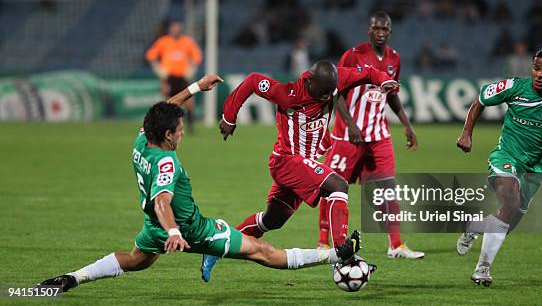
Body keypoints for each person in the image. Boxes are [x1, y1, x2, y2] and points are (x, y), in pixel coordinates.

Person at [38, 74, 362, 292]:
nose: (182, 132)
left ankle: (72, 278)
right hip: (193, 229)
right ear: (168, 135)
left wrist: (196, 87)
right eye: (179, 130)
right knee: (263, 252)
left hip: (153, 227)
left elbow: (164, 110)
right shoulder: (166, 162)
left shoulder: (142, 140)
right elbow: (162, 201)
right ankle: (337, 256)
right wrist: (176, 232)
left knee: (137, 260)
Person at [200, 60, 399, 282]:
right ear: (310, 81)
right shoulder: (289, 94)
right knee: (338, 185)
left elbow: (369, 73)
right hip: (287, 161)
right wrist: (229, 116)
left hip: (302, 165)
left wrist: (385, 80)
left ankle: (216, 247)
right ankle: (342, 254)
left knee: (272, 220)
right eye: (323, 92)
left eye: (330, 93)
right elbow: (253, 81)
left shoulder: (337, 78)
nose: (327, 97)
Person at [456, 45, 542, 286]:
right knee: (510, 201)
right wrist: (467, 133)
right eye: (536, 68)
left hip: (535, 168)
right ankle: (482, 269)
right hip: (506, 156)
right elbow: (480, 100)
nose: (539, 74)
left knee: (509, 219)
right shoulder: (514, 87)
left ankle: (476, 226)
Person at [315, 12, 424, 259]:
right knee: (332, 187)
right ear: (369, 30)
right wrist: (351, 124)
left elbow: (392, 94)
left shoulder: (394, 58)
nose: (381, 32)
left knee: (387, 189)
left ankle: (396, 245)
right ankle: (323, 243)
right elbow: (337, 91)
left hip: (379, 136)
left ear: (390, 31)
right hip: (347, 137)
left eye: (385, 28)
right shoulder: (352, 55)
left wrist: (407, 124)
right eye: (376, 28)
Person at [146, 20, 203, 134]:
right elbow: (151, 55)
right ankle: (167, 129)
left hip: (183, 77)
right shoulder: (163, 41)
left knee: (189, 103)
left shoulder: (187, 42)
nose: (176, 31)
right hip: (169, 77)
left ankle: (191, 128)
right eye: (174, 28)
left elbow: (197, 57)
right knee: (169, 104)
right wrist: (158, 69)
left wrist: (192, 69)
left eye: (178, 29)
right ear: (170, 30)